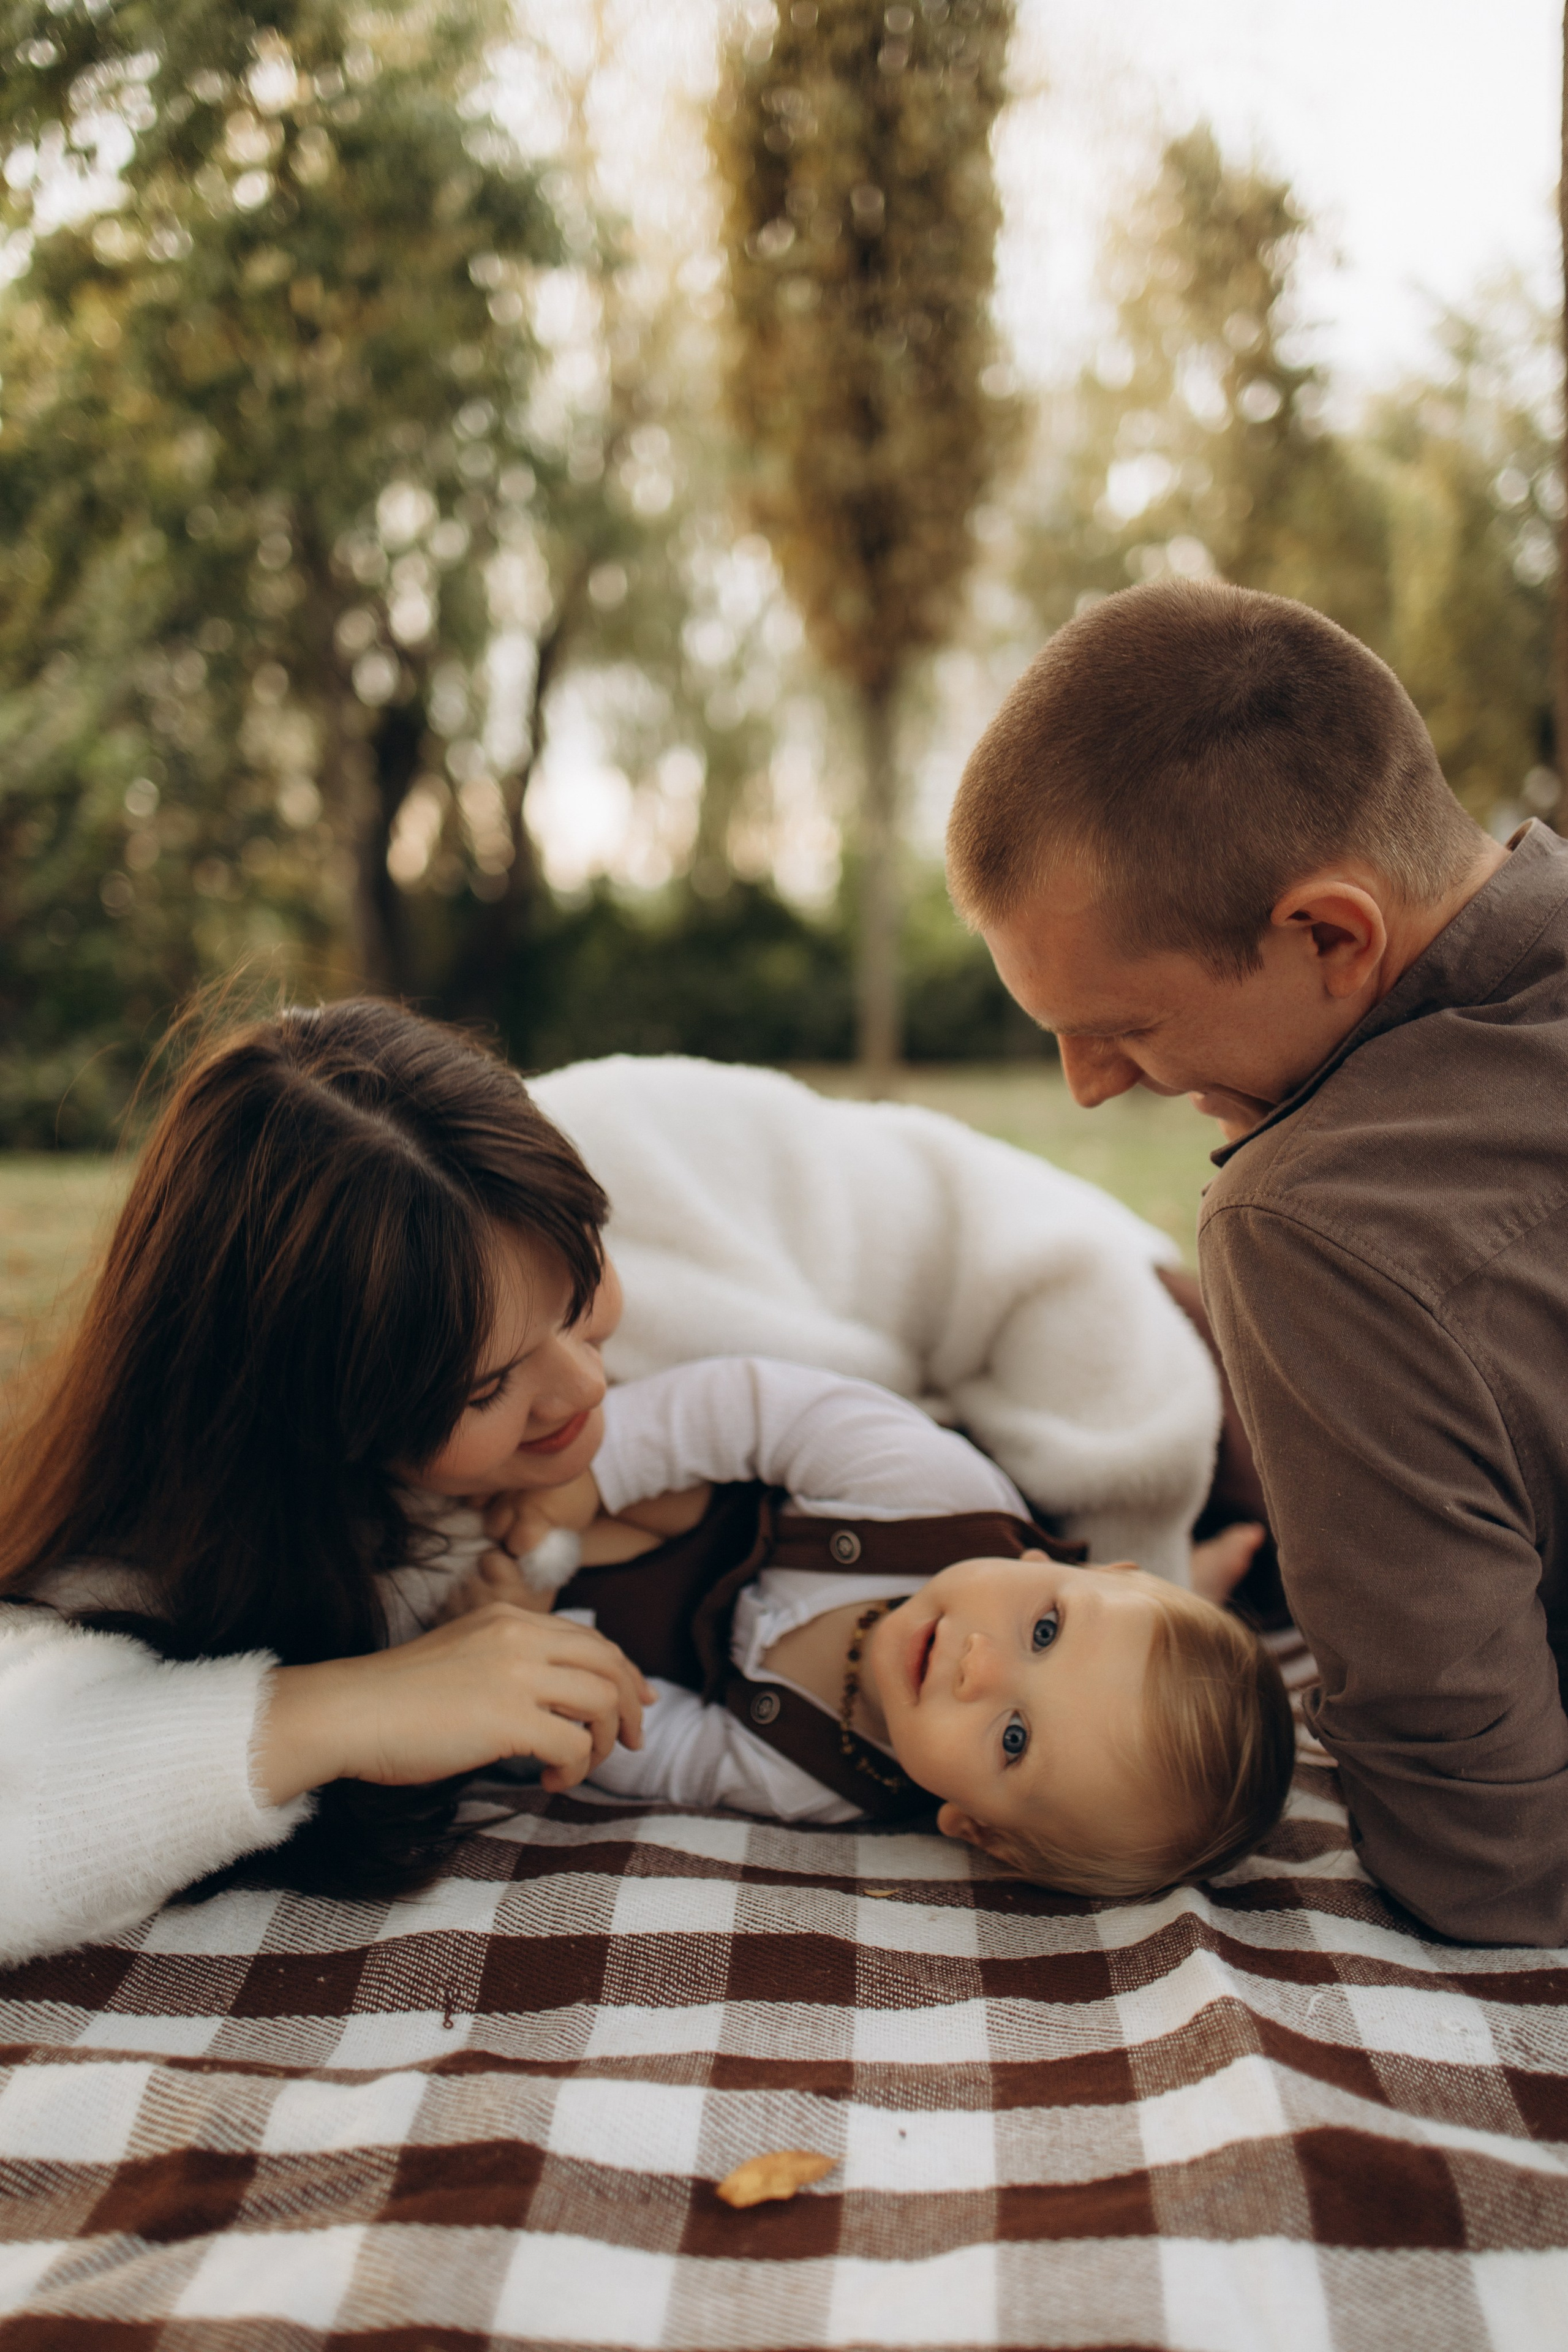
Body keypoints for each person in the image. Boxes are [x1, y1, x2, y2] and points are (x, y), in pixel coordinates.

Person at [0, 998, 1256, 1966]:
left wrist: (1113, 1525)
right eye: (489, 1389)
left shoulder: (596, 1152)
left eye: (584, 1297)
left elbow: (1002, 1232)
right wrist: (340, 1709)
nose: (586, 1392)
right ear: (313, 1424)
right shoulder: (202, 1546)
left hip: (1135, 1360)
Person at [946, 575, 1568, 1946]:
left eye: (1125, 1024)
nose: (1091, 1087)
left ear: (1328, 933)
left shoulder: (1314, 1222)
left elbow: (1489, 1861)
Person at [449, 1355, 1294, 1900]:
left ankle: (472, 1576)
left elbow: (663, 1745)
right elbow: (758, 1406)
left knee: (532, 1681)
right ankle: (1194, 1566)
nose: (978, 1670)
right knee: (653, 1502)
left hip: (628, 1623)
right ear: (1079, 1570)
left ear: (976, 1829)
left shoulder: (819, 1781)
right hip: (708, 1496)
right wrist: (599, 1475)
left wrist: (541, 1654)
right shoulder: (931, 1499)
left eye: (1012, 1739)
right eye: (1045, 1632)